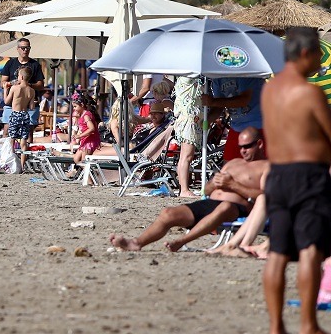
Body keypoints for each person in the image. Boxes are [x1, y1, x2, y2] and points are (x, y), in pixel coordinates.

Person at [261, 27, 331, 334]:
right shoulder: (309, 92)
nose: (320, 61)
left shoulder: (269, 91)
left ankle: (276, 328)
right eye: (318, 54)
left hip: (277, 175)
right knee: (310, 250)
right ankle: (307, 326)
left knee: (277, 251)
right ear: (304, 54)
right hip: (308, 176)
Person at [109, 126, 266, 253]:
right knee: (168, 213)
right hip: (211, 203)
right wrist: (215, 184)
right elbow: (206, 190)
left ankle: (181, 242)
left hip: (238, 209)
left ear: (259, 144)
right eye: (240, 147)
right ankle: (136, 243)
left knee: (224, 207)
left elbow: (267, 197)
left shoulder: (267, 167)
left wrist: (233, 185)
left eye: (247, 146)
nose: (243, 151)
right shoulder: (233, 163)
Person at [205, 75, 265, 162]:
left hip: (258, 125)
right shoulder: (217, 78)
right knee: (228, 167)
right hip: (237, 127)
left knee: (257, 166)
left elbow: (243, 100)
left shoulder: (245, 72)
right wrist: (207, 120)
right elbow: (218, 106)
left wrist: (213, 102)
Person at [0, 38, 45, 135]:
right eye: (23, 48)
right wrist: (12, 84)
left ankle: (25, 149)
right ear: (17, 49)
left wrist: (27, 85)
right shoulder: (10, 63)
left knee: (27, 134)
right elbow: (2, 82)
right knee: (7, 131)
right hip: (12, 104)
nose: (26, 50)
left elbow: (41, 85)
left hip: (28, 104)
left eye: (28, 48)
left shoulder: (35, 65)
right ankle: (7, 149)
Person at [173, 75, 202, 198]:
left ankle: (183, 188)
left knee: (184, 156)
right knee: (187, 156)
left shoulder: (182, 77)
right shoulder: (190, 74)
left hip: (186, 118)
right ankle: (184, 189)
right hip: (189, 119)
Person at [5, 66, 36, 169]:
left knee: (12, 138)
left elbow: (6, 101)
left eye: (18, 75)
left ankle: (12, 161)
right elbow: (32, 107)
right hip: (25, 115)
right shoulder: (31, 91)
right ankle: (22, 166)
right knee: (23, 140)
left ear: (21, 77)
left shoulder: (15, 88)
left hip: (16, 114)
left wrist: (6, 89)